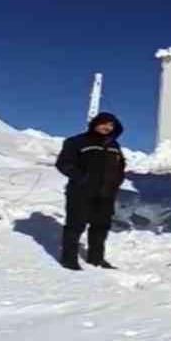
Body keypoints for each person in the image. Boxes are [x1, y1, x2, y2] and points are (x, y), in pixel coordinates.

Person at [55, 112, 126, 270]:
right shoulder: (76, 141)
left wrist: (117, 181)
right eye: (104, 123)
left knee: (101, 226)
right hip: (81, 192)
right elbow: (63, 164)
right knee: (75, 225)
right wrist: (82, 179)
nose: (107, 127)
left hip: (106, 193)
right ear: (95, 123)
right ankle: (69, 259)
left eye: (111, 125)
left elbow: (121, 165)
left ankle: (96, 258)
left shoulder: (114, 145)